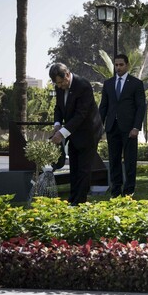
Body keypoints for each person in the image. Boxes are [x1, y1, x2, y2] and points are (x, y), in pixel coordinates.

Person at [49, 63, 103, 205]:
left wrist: (61, 134)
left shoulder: (83, 85)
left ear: (67, 75)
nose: (59, 86)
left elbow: (81, 114)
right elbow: (58, 108)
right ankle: (72, 198)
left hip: (89, 131)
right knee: (74, 167)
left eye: (61, 82)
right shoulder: (59, 86)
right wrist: (57, 124)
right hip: (72, 132)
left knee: (84, 169)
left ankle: (80, 201)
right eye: (57, 83)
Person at [99, 54, 146, 197]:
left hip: (130, 129)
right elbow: (103, 107)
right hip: (112, 128)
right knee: (114, 161)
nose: (118, 67)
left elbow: (140, 107)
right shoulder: (108, 83)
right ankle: (115, 191)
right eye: (116, 65)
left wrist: (136, 127)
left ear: (127, 65)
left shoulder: (136, 84)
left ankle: (129, 191)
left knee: (130, 161)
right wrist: (99, 127)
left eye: (121, 65)